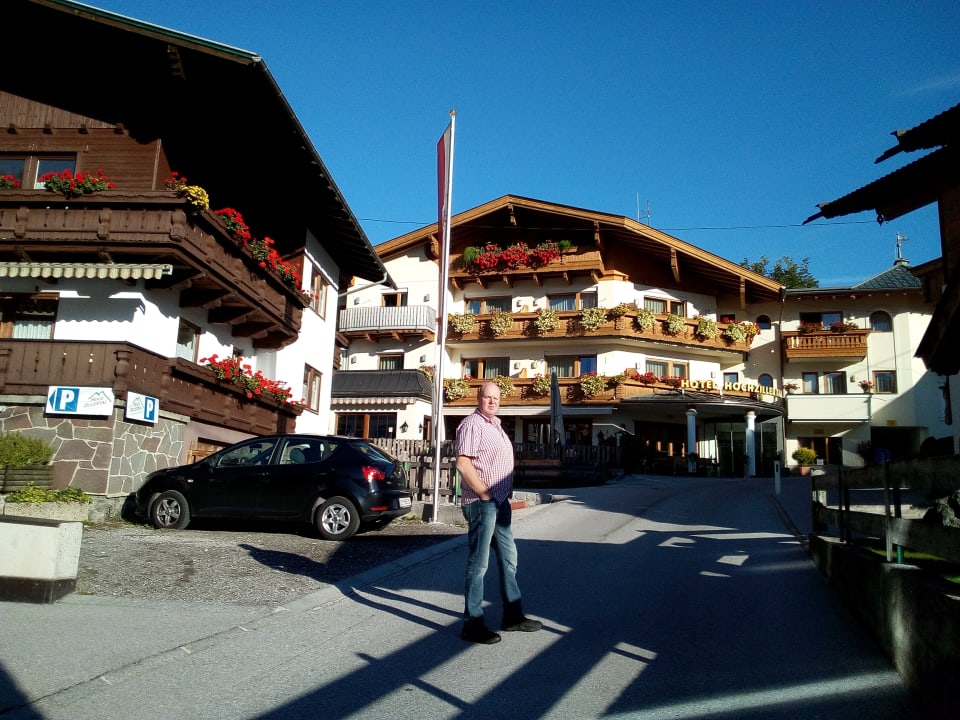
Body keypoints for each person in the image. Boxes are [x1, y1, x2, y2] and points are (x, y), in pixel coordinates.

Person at [455, 381, 542, 644]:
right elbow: (463, 463)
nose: (492, 401)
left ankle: (513, 617)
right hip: (483, 502)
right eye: (487, 397)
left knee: (508, 559)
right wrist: (484, 494)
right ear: (478, 398)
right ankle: (472, 624)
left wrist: (498, 498)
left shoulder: (495, 424)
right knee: (479, 564)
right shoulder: (472, 424)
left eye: (496, 398)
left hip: (500, 502)